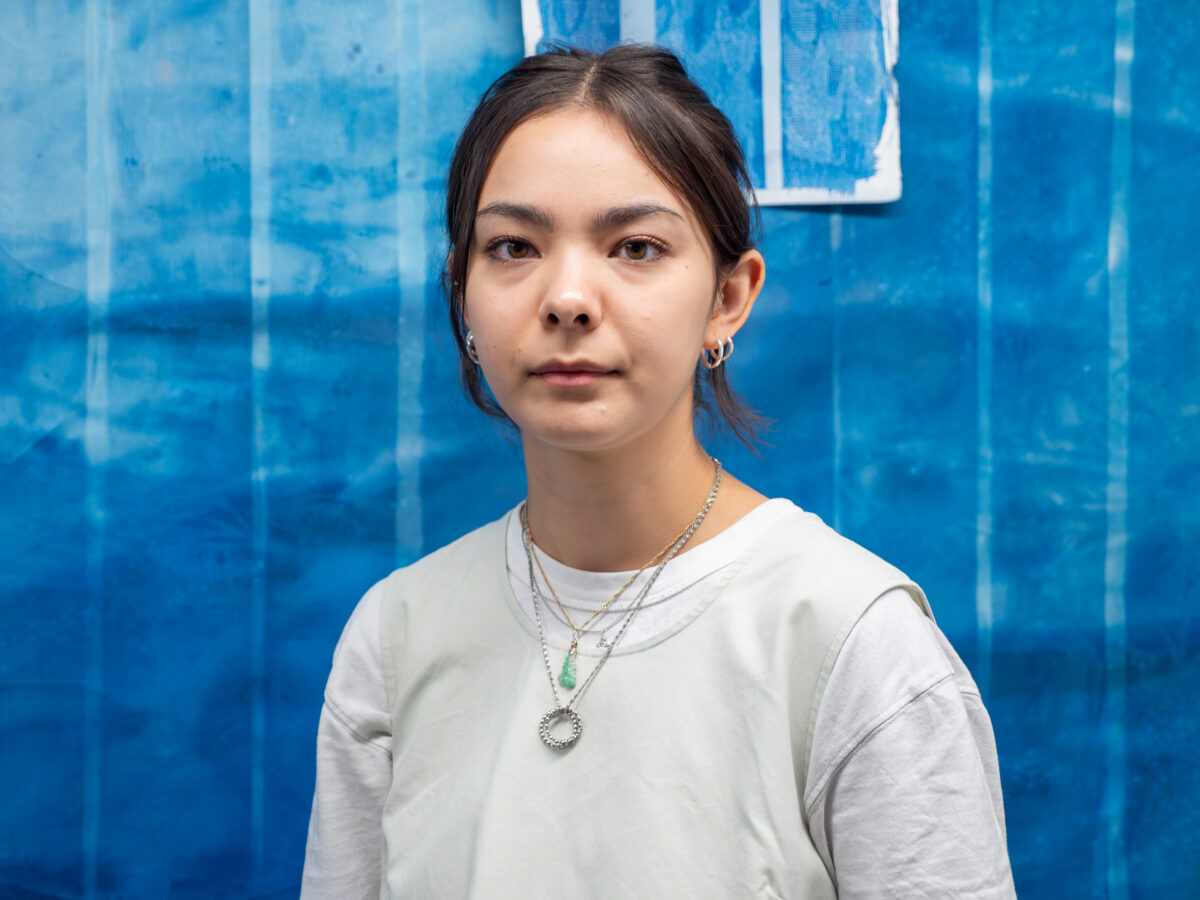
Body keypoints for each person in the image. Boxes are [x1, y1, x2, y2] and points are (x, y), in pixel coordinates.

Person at [301, 45, 1016, 898]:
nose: (568, 298)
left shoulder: (853, 643)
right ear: (462, 293)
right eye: (514, 247)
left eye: (635, 247)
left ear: (728, 297)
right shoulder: (394, 639)